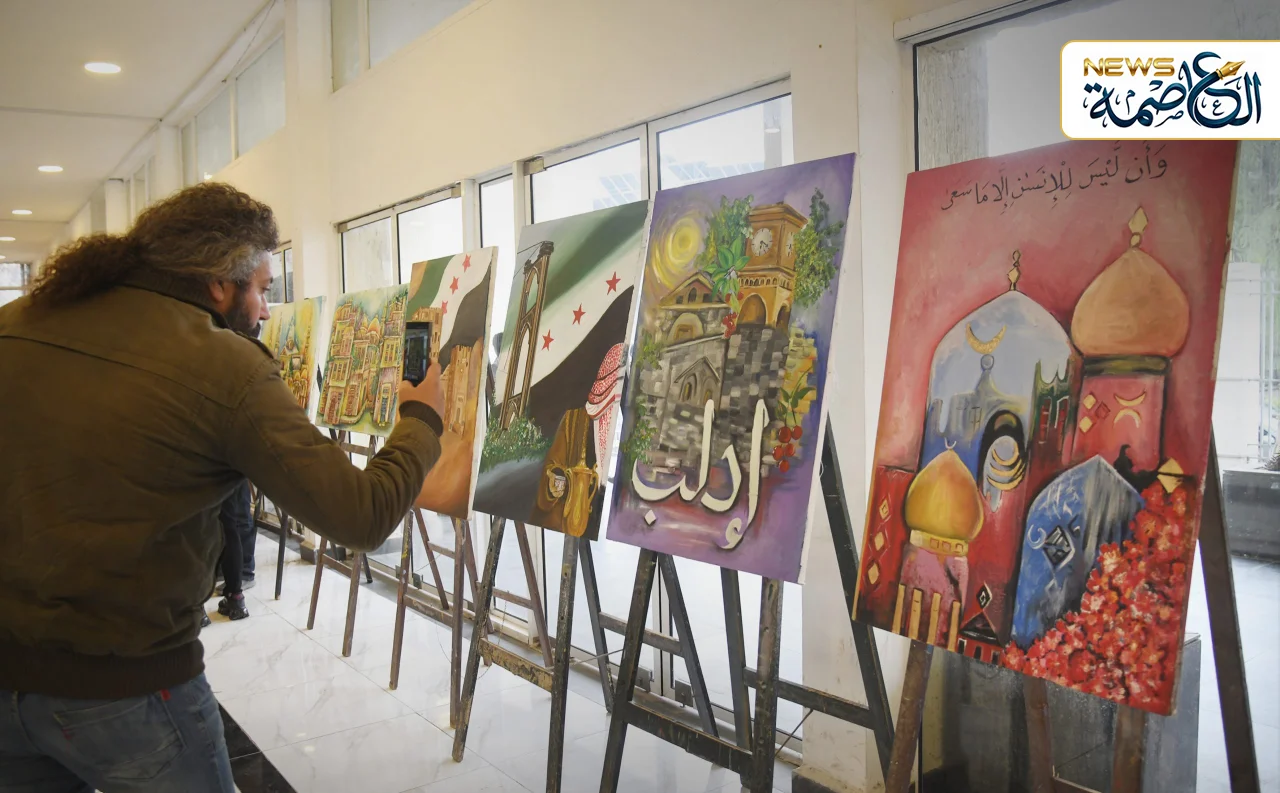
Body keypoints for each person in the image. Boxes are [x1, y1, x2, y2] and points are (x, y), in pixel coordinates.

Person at [0, 183, 445, 793]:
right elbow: (361, 517)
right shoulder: (221, 364)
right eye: (261, 288)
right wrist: (421, 419)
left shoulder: (17, 323)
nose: (265, 311)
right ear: (217, 282)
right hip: (127, 687)